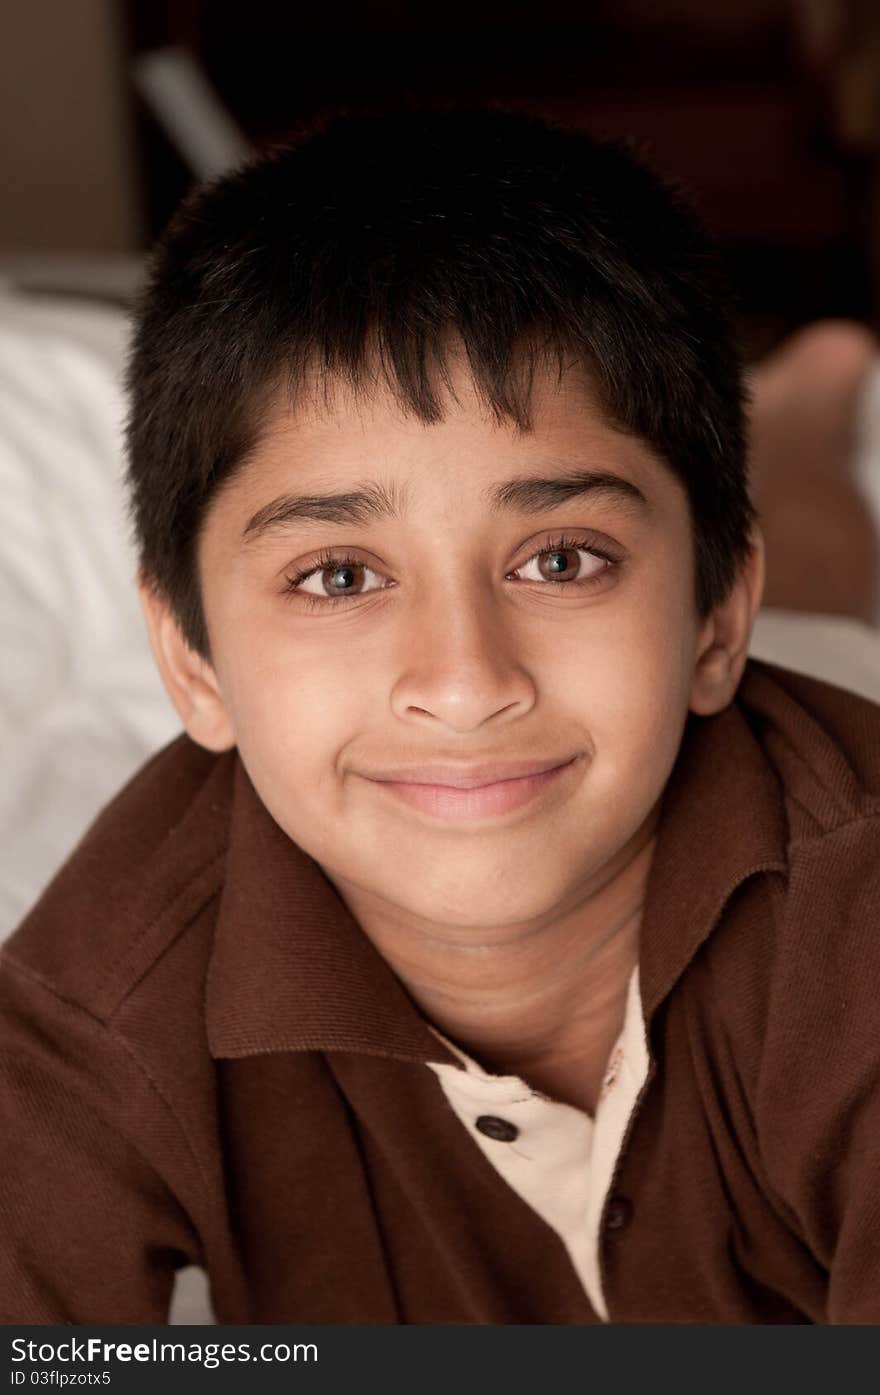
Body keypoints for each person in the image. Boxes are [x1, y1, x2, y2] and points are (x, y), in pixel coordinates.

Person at [2, 106, 879, 1326]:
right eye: (339, 576)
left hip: (799, 687)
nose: (464, 683)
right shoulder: (97, 998)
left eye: (561, 559)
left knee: (828, 587)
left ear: (713, 620)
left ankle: (802, 414)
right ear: (191, 663)